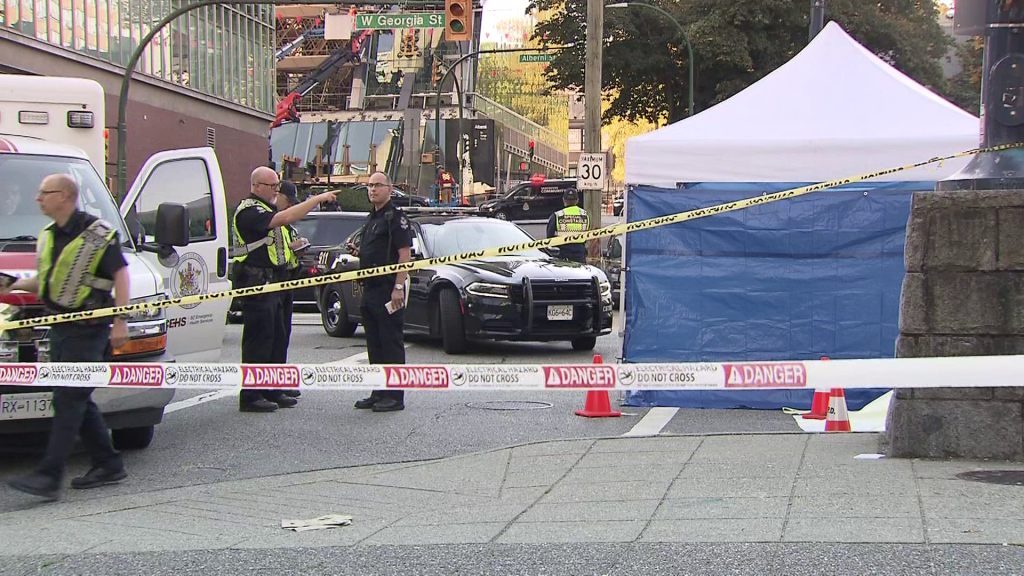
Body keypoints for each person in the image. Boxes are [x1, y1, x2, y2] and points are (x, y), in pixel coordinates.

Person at [2, 174, 131, 501]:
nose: (37, 198)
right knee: (74, 398)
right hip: (59, 328)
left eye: (44, 193)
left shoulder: (98, 234)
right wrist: (13, 285)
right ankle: (108, 462)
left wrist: (120, 321)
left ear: (64, 196)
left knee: (69, 399)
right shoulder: (48, 235)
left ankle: (49, 474)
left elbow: (121, 275)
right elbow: (47, 283)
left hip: (89, 329)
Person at [231, 167, 335, 412]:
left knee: (277, 337)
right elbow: (285, 218)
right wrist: (318, 199)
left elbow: (274, 241)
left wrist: (293, 246)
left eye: (277, 186)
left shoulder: (266, 210)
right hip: (257, 283)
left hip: (276, 281)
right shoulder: (249, 210)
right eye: (272, 186)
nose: (276, 191)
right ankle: (251, 394)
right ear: (256, 186)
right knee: (259, 339)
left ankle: (272, 388)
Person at [346, 171, 412, 412]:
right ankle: (378, 391)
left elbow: (404, 255)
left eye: (377, 185)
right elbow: (377, 251)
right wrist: (359, 252)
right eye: (369, 185)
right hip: (370, 289)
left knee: (390, 342)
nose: (372, 190)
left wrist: (398, 287)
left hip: (387, 288)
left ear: (389, 189)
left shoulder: (395, 217)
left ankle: (394, 396)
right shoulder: (372, 218)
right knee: (374, 343)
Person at [274, 181, 310, 399]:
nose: (289, 206)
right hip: (273, 283)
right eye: (287, 201)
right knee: (272, 338)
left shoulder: (287, 225)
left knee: (282, 336)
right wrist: (291, 248)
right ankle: (269, 386)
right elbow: (274, 250)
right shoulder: (271, 220)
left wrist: (298, 248)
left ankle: (278, 383)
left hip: (287, 282)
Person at [546, 188, 591, 264]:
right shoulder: (584, 215)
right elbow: (587, 234)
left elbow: (549, 237)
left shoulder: (558, 215)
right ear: (577, 200)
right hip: (580, 255)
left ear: (564, 200)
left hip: (563, 255)